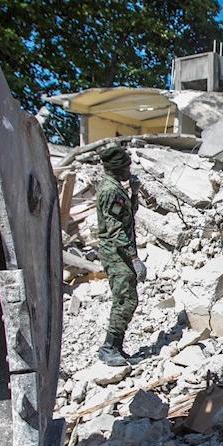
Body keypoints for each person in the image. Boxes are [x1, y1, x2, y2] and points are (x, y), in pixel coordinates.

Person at [95, 143, 146, 366]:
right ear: (117, 168)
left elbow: (126, 218)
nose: (129, 170)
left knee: (127, 298)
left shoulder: (116, 188)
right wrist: (134, 259)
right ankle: (109, 348)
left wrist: (134, 194)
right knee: (125, 299)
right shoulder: (110, 191)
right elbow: (116, 229)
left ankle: (116, 347)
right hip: (116, 253)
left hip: (120, 251)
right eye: (126, 166)